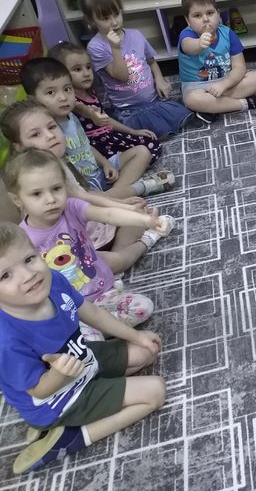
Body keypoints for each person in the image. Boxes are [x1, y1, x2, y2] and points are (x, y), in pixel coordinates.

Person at [0, 222, 166, 474]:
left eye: (29, 259)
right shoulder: (6, 341)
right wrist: (59, 374)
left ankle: (96, 395)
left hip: (81, 360)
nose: (28, 275)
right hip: (55, 399)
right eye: (5, 275)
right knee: (155, 392)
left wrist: (136, 336)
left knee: (147, 350)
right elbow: (38, 390)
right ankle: (72, 437)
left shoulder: (52, 280)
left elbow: (92, 313)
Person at [5, 148, 174, 341]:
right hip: (69, 308)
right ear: (17, 199)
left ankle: (101, 330)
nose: (50, 199)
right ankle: (101, 332)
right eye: (37, 194)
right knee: (90, 340)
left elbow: (107, 214)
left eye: (57, 188)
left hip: (102, 291)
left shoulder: (71, 207)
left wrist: (146, 221)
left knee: (143, 307)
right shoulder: (22, 238)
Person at [0, 100, 168, 276]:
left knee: (137, 217)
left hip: (90, 226)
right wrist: (124, 206)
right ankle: (145, 242)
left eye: (52, 127)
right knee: (119, 252)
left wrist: (125, 207)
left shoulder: (56, 163)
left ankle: (117, 258)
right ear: (19, 146)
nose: (50, 136)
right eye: (36, 134)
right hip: (75, 244)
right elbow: (84, 198)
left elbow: (86, 197)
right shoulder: (39, 177)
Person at [20, 58, 175, 199]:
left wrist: (105, 164)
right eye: (51, 92)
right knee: (83, 200)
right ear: (33, 99)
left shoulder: (71, 116)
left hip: (99, 173)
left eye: (67, 89)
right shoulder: (47, 131)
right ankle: (132, 190)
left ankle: (112, 195)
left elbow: (85, 146)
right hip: (81, 186)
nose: (63, 97)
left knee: (142, 152)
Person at [79, 0, 193, 138]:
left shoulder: (136, 35)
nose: (114, 22)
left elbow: (151, 62)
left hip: (153, 99)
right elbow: (122, 76)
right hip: (128, 108)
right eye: (105, 18)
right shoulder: (95, 47)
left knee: (182, 115)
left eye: (116, 14)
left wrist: (160, 80)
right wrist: (115, 48)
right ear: (91, 21)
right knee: (148, 134)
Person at [49, 42, 162, 165]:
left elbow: (106, 120)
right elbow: (81, 108)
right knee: (144, 153)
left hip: (108, 135)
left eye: (88, 67)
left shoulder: (90, 93)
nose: (86, 73)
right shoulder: (69, 101)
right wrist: (91, 113)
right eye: (77, 69)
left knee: (151, 143)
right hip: (97, 147)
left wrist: (132, 131)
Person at [178, 0, 256, 123]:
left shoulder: (228, 33)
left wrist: (224, 84)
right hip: (197, 86)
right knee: (192, 99)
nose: (205, 19)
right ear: (187, 20)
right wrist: (199, 44)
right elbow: (187, 47)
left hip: (227, 83)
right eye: (197, 16)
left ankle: (213, 107)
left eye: (210, 13)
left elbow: (239, 67)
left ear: (218, 14)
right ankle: (246, 103)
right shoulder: (187, 34)